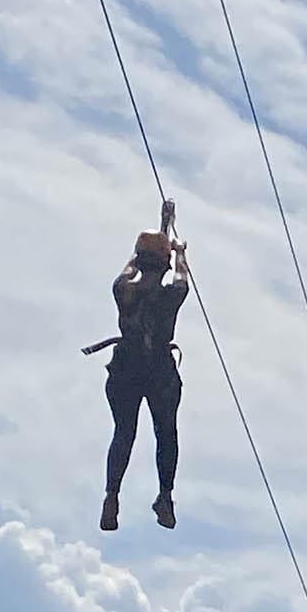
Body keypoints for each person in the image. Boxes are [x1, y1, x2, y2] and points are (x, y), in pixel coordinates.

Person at [92, 228, 190, 532]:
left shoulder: (122, 289)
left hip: (126, 365)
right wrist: (180, 253)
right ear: (163, 263)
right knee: (166, 433)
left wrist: (138, 255)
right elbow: (181, 277)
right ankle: (165, 496)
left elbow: (129, 270)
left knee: (123, 432)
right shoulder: (172, 295)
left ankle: (112, 496)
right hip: (158, 366)